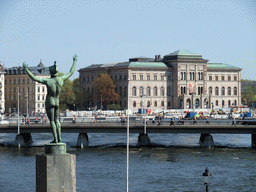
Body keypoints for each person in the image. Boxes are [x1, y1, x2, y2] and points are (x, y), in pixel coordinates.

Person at [23, 54, 77, 143]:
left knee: (52, 121)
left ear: (51, 72)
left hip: (50, 101)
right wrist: (75, 61)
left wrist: (26, 69)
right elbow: (71, 72)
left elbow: (34, 78)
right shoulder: (61, 79)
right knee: (57, 120)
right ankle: (59, 139)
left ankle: (55, 139)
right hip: (57, 102)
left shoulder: (48, 81)